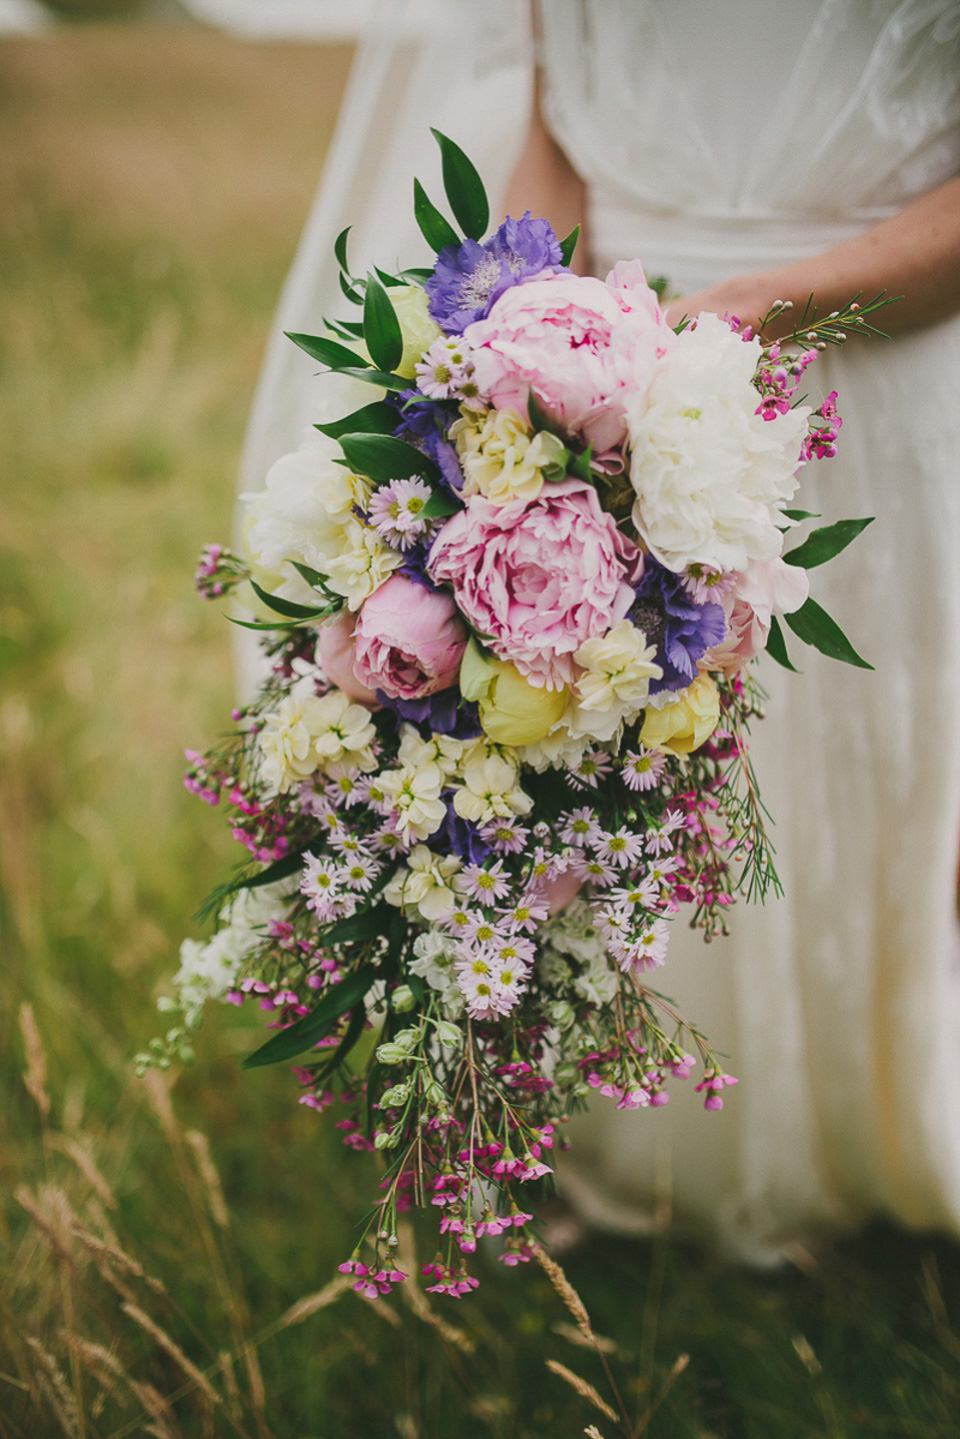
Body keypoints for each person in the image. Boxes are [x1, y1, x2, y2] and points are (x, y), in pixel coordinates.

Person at [238, 0, 960, 1262]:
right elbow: (555, 140)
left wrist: (749, 315)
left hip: (874, 379)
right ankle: (635, 1122)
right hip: (610, 383)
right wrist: (513, 377)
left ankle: (875, 1118)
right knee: (607, 753)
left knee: (879, 767)